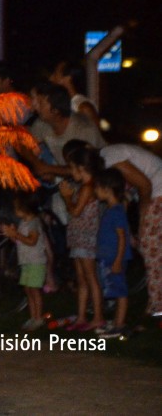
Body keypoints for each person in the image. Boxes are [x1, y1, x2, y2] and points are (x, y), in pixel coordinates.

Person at [65, 140, 162, 319]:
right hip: (154, 192)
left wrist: (143, 218)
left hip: (158, 191)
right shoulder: (106, 167)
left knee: (151, 248)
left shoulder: (111, 158)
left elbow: (145, 185)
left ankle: (158, 305)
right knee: (151, 247)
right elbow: (126, 194)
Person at [58, 147, 104, 331]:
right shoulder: (84, 187)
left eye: (72, 168)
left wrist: (67, 198)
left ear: (81, 167)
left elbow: (76, 211)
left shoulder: (88, 187)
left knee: (91, 278)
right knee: (82, 279)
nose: (70, 172)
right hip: (78, 239)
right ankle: (82, 316)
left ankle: (98, 317)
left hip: (86, 239)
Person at [93, 167, 133, 339]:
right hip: (108, 258)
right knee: (114, 290)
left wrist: (117, 260)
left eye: (97, 187)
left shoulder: (116, 212)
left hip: (114, 259)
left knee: (120, 291)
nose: (95, 190)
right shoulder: (112, 211)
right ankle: (116, 322)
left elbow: (122, 238)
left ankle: (119, 325)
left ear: (107, 189)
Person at [0, 192, 47, 331]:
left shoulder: (34, 222)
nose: (14, 210)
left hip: (35, 261)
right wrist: (12, 235)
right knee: (28, 289)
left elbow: (32, 241)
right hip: (26, 262)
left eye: (16, 207)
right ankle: (33, 317)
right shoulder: (24, 222)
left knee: (34, 289)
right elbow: (20, 241)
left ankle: (38, 318)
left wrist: (16, 234)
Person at [49, 61, 100, 128]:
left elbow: (94, 136)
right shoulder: (62, 103)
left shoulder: (83, 107)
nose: (51, 78)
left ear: (67, 78)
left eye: (55, 74)